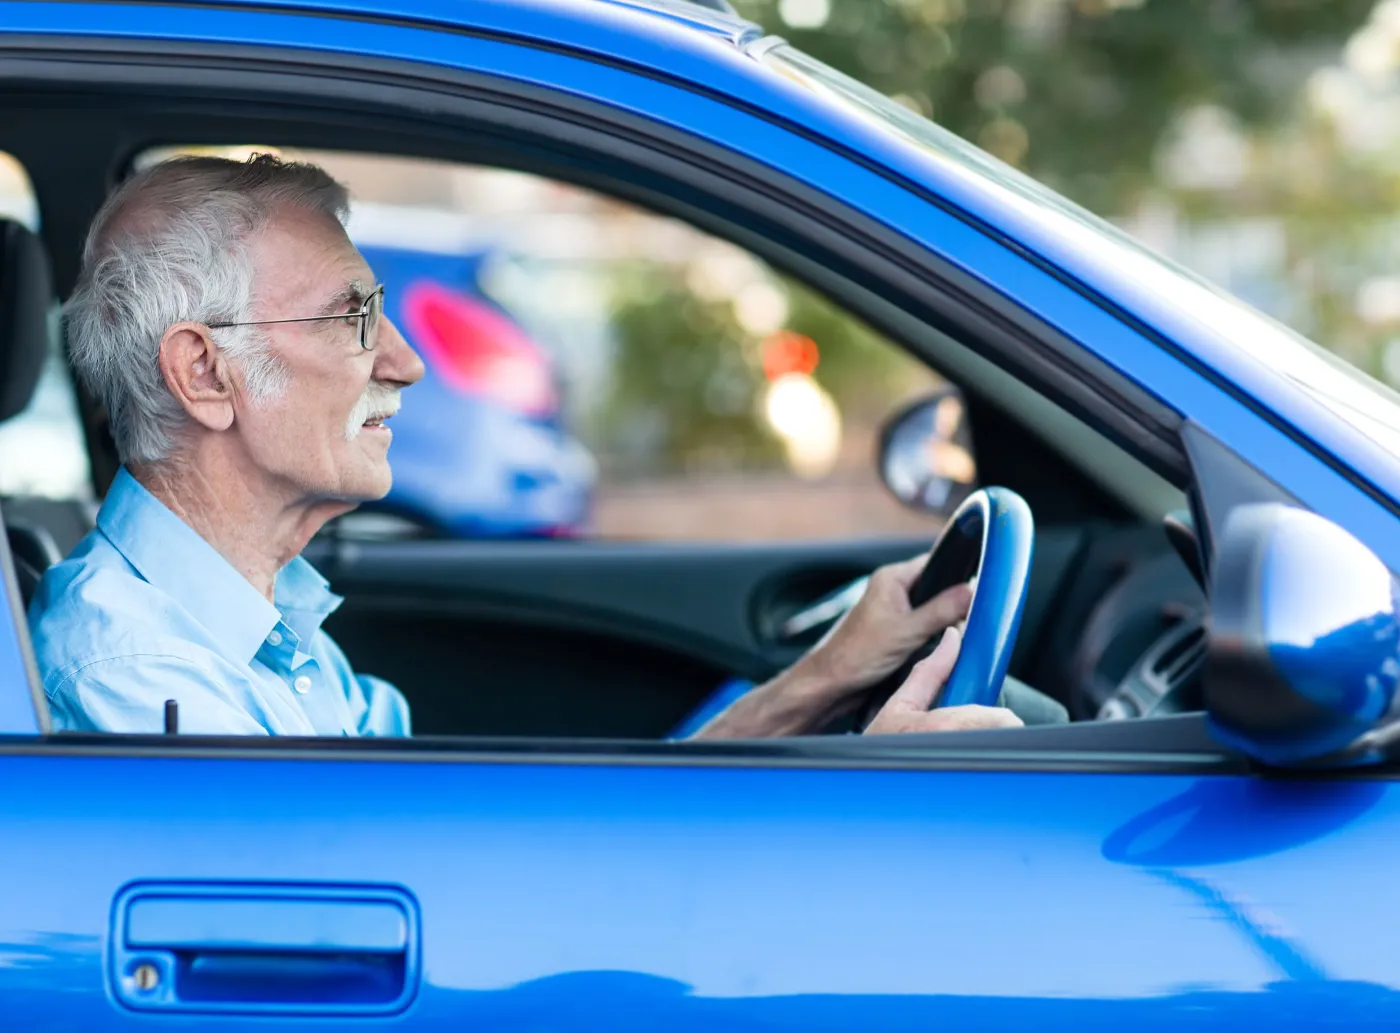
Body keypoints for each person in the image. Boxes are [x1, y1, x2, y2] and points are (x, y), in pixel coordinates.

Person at [28, 155, 1023, 739]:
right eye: (351, 319)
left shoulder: (247, 625)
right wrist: (849, 809)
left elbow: (486, 884)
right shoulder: (145, 681)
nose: (408, 363)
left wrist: (819, 681)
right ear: (204, 374)